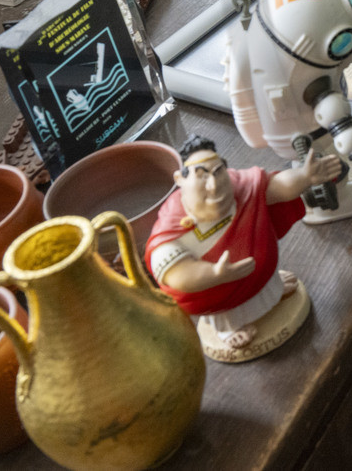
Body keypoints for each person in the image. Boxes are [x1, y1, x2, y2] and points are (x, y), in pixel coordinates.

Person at [146, 135, 341, 357]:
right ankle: (227, 331)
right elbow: (174, 273)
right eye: (202, 176)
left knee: (268, 284)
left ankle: (272, 292)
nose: (214, 184)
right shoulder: (171, 226)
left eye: (218, 172)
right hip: (220, 298)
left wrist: (305, 176)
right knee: (228, 313)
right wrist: (214, 274)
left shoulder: (241, 185)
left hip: (259, 271)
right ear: (180, 180)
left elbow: (276, 187)